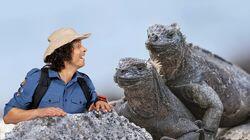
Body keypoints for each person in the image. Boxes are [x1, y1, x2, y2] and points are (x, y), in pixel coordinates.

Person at [3, 28, 112, 124]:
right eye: (78, 46)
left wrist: (100, 104)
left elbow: (93, 106)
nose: (84, 49)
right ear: (64, 52)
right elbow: (8, 116)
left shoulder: (84, 81)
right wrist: (39, 112)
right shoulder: (37, 79)